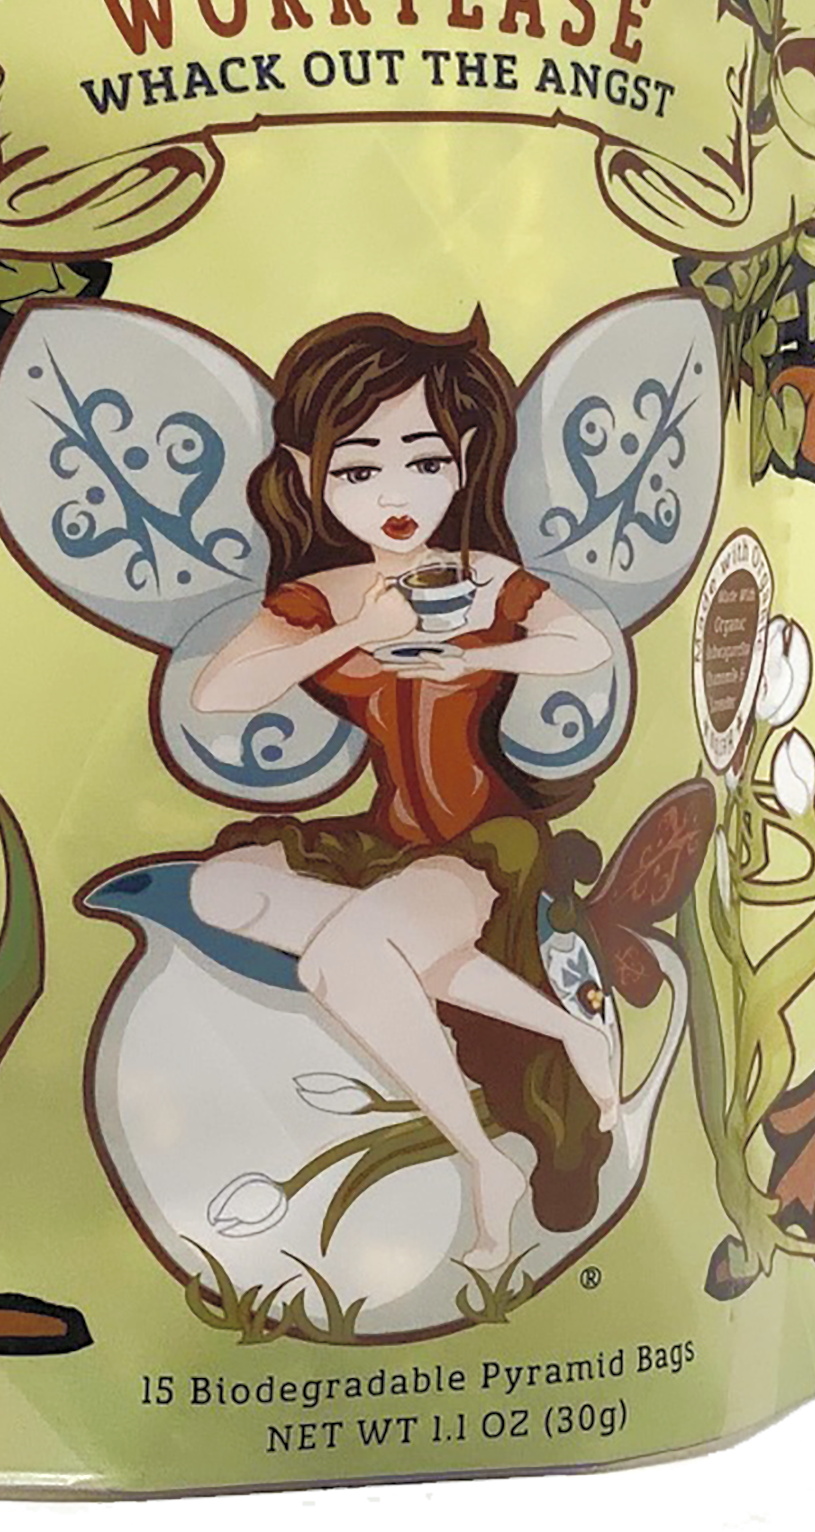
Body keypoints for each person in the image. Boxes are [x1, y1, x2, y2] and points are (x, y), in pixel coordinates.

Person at [190, 308, 619, 1273]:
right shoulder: (326, 597)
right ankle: (567, 1031)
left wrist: (480, 651)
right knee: (221, 887)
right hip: (387, 837)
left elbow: (582, 643)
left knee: (342, 957)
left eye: (424, 462)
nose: (394, 494)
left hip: (483, 838)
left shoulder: (483, 578)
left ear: (464, 461)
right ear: (304, 472)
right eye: (356, 469)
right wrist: (357, 633)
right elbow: (221, 691)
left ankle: (484, 1166)